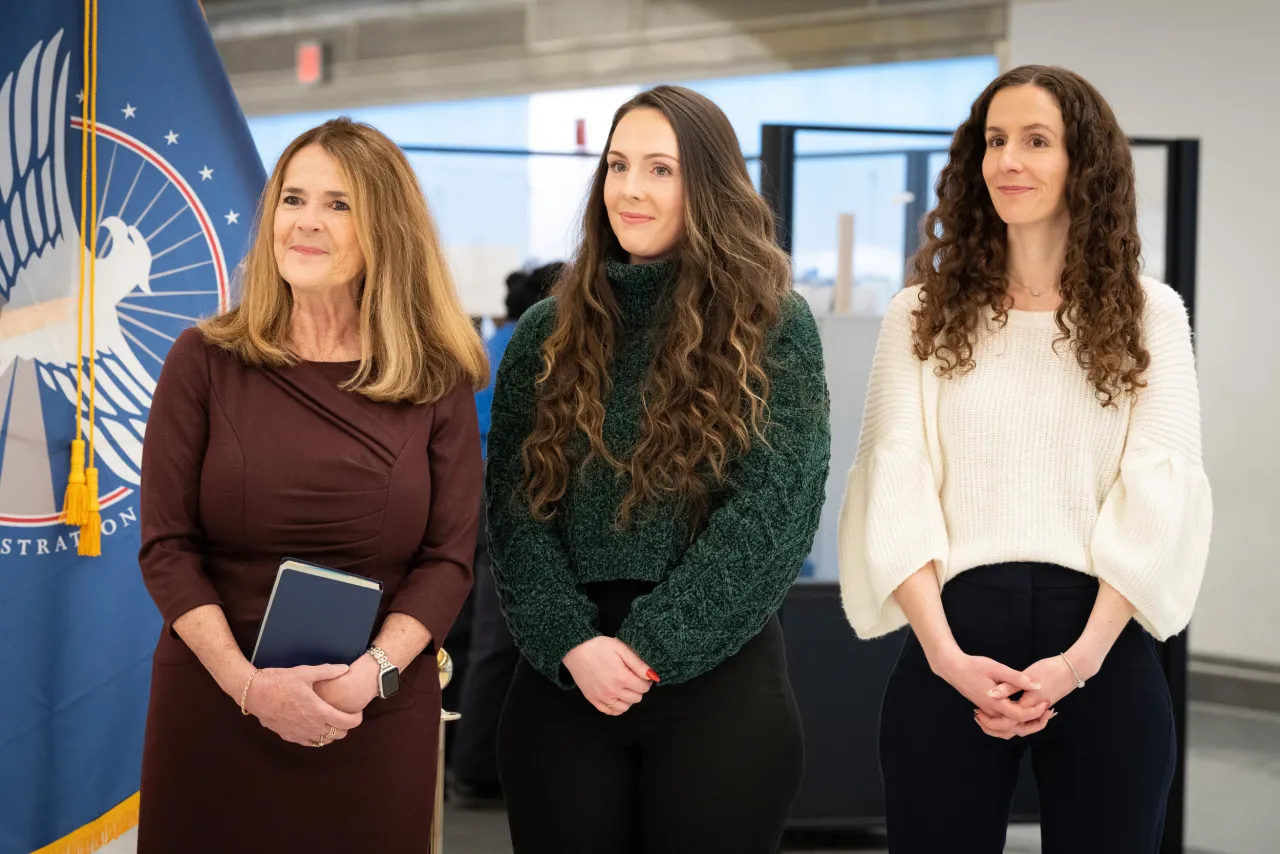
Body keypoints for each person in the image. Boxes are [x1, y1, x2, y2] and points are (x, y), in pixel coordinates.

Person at [836, 65, 1212, 853]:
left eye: (1037, 141)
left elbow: (1158, 496)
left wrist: (1075, 665)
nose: (1009, 161)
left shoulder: (1153, 315)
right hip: (952, 645)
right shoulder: (921, 314)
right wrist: (946, 657)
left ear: (1086, 163)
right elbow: (895, 485)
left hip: (1103, 649)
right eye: (995, 141)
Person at [486, 84, 831, 853]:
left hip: (718, 686)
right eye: (617, 165)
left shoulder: (771, 322)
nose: (630, 189)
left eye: (661, 169)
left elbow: (776, 511)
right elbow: (513, 512)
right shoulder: (546, 331)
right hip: (561, 679)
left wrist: (650, 650)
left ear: (707, 185)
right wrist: (571, 642)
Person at [136, 118, 487, 853]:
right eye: (293, 199)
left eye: (339, 204)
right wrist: (249, 688)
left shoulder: (436, 375)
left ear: (384, 228)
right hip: (216, 701)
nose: (307, 223)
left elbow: (449, 560)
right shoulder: (201, 360)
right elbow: (166, 548)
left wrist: (369, 676)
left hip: (370, 713)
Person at [448, 260, 565, 805]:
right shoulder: (537, 348)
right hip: (504, 495)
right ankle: (478, 765)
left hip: (465, 493)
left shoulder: (491, 342)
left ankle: (456, 753)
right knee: (500, 634)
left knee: (467, 630)